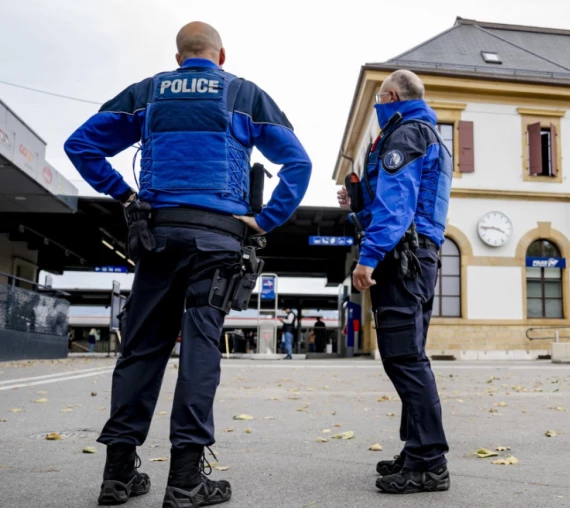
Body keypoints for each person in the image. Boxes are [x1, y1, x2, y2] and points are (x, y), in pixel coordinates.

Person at [64, 21, 312, 507]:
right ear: (222, 56)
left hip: (158, 236)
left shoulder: (148, 92)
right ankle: (185, 480)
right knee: (200, 351)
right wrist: (266, 219)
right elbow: (298, 163)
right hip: (218, 241)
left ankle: (117, 474)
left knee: (141, 350)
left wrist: (126, 195)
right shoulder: (243, 94)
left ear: (179, 58)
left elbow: (81, 145)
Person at [337, 69, 452, 494]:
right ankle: (416, 449)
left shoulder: (406, 133)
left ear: (390, 96)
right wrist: (359, 201)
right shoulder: (427, 133)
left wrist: (367, 258)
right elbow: (405, 198)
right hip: (418, 256)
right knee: (408, 355)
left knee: (404, 358)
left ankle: (429, 463)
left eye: (380, 99)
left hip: (402, 257)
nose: (378, 107)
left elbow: (398, 206)